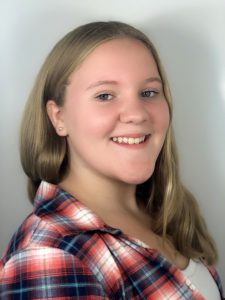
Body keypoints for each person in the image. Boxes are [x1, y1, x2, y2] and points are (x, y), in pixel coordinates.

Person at [0, 21, 223, 300]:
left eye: (148, 92)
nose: (137, 114)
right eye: (105, 95)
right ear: (58, 117)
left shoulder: (162, 211)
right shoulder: (51, 254)